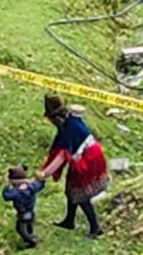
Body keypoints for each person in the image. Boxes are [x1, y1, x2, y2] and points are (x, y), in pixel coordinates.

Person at [37, 96, 108, 238]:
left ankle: (95, 228)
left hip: (89, 158)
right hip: (87, 154)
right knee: (71, 187)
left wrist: (45, 173)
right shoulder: (70, 121)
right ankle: (69, 220)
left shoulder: (68, 131)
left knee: (80, 194)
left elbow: (61, 156)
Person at [3, 166, 45, 249]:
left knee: (20, 229)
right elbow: (40, 185)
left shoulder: (16, 192)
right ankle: (30, 238)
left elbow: (6, 196)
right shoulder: (31, 187)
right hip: (31, 212)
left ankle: (31, 241)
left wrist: (6, 186)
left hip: (22, 214)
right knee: (29, 226)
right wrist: (41, 179)